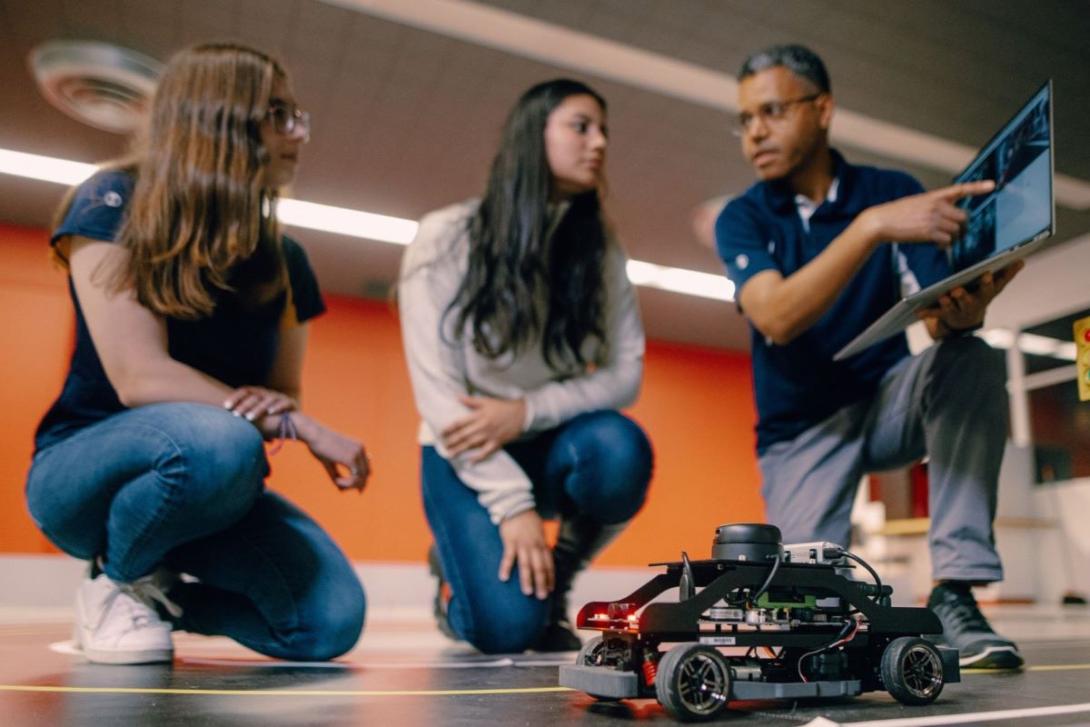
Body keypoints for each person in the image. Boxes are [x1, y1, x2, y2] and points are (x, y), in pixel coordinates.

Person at [24, 42, 369, 665]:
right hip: (85, 474)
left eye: (298, 117)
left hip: (206, 488)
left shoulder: (288, 262)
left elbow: (281, 391)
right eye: (279, 114)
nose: (298, 133)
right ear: (219, 117)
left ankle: (156, 598)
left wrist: (282, 408)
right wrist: (297, 425)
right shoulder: (112, 200)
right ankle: (116, 580)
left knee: (328, 622)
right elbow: (138, 376)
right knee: (221, 440)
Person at [715, 44, 1024, 669]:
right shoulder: (742, 218)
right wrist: (871, 227)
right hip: (801, 433)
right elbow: (776, 316)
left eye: (771, 111)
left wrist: (966, 311)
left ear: (822, 109)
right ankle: (849, 617)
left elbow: (941, 323)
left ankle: (956, 590)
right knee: (809, 619)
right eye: (745, 119)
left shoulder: (891, 191)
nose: (754, 132)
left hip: (885, 403)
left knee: (973, 356)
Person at [398, 78, 653, 654]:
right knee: (507, 632)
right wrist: (512, 505)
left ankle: (558, 575)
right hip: (462, 451)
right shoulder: (444, 238)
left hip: (549, 440)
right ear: (531, 136)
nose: (600, 144)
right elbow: (439, 400)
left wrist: (526, 411)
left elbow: (625, 374)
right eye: (581, 126)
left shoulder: (599, 248)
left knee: (619, 450)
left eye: (604, 131)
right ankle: (452, 574)